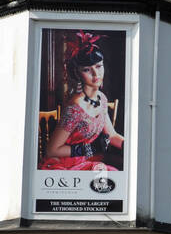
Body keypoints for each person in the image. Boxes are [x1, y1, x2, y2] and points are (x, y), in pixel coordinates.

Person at [42, 31, 124, 171]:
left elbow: (111, 135)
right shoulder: (75, 108)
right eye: (87, 70)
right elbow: (52, 150)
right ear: (78, 74)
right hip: (65, 166)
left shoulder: (102, 99)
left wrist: (132, 146)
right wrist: (88, 149)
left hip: (85, 161)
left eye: (98, 66)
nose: (96, 74)